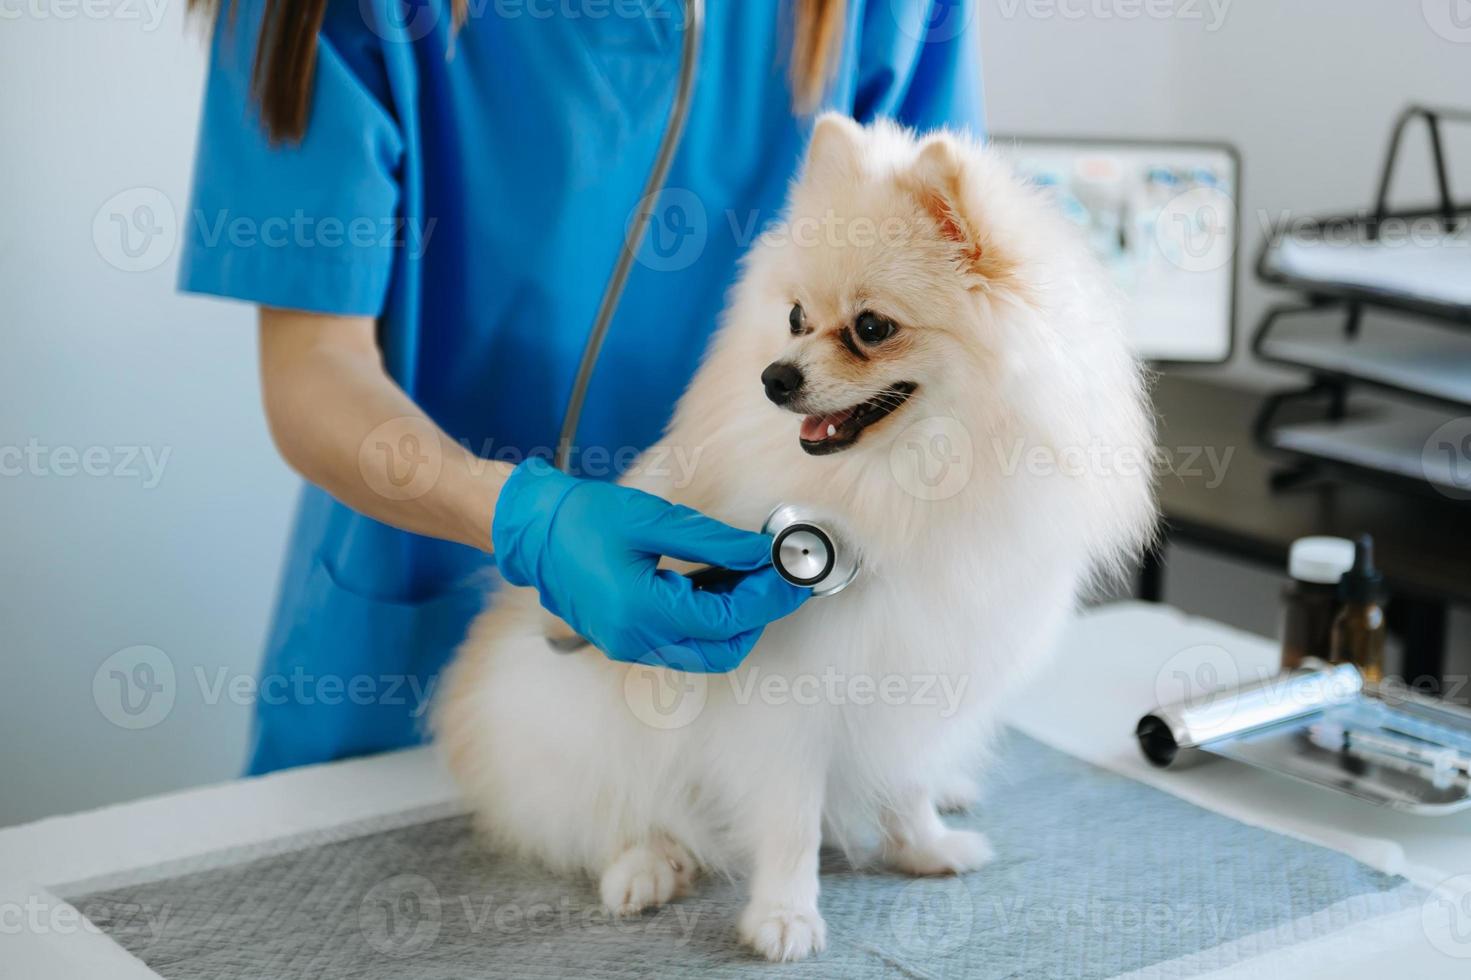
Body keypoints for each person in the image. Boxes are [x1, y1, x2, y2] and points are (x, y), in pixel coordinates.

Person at [182, 0, 986, 774]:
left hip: (750, 669)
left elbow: (947, 304)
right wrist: (524, 519)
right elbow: (313, 367)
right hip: (402, 648)